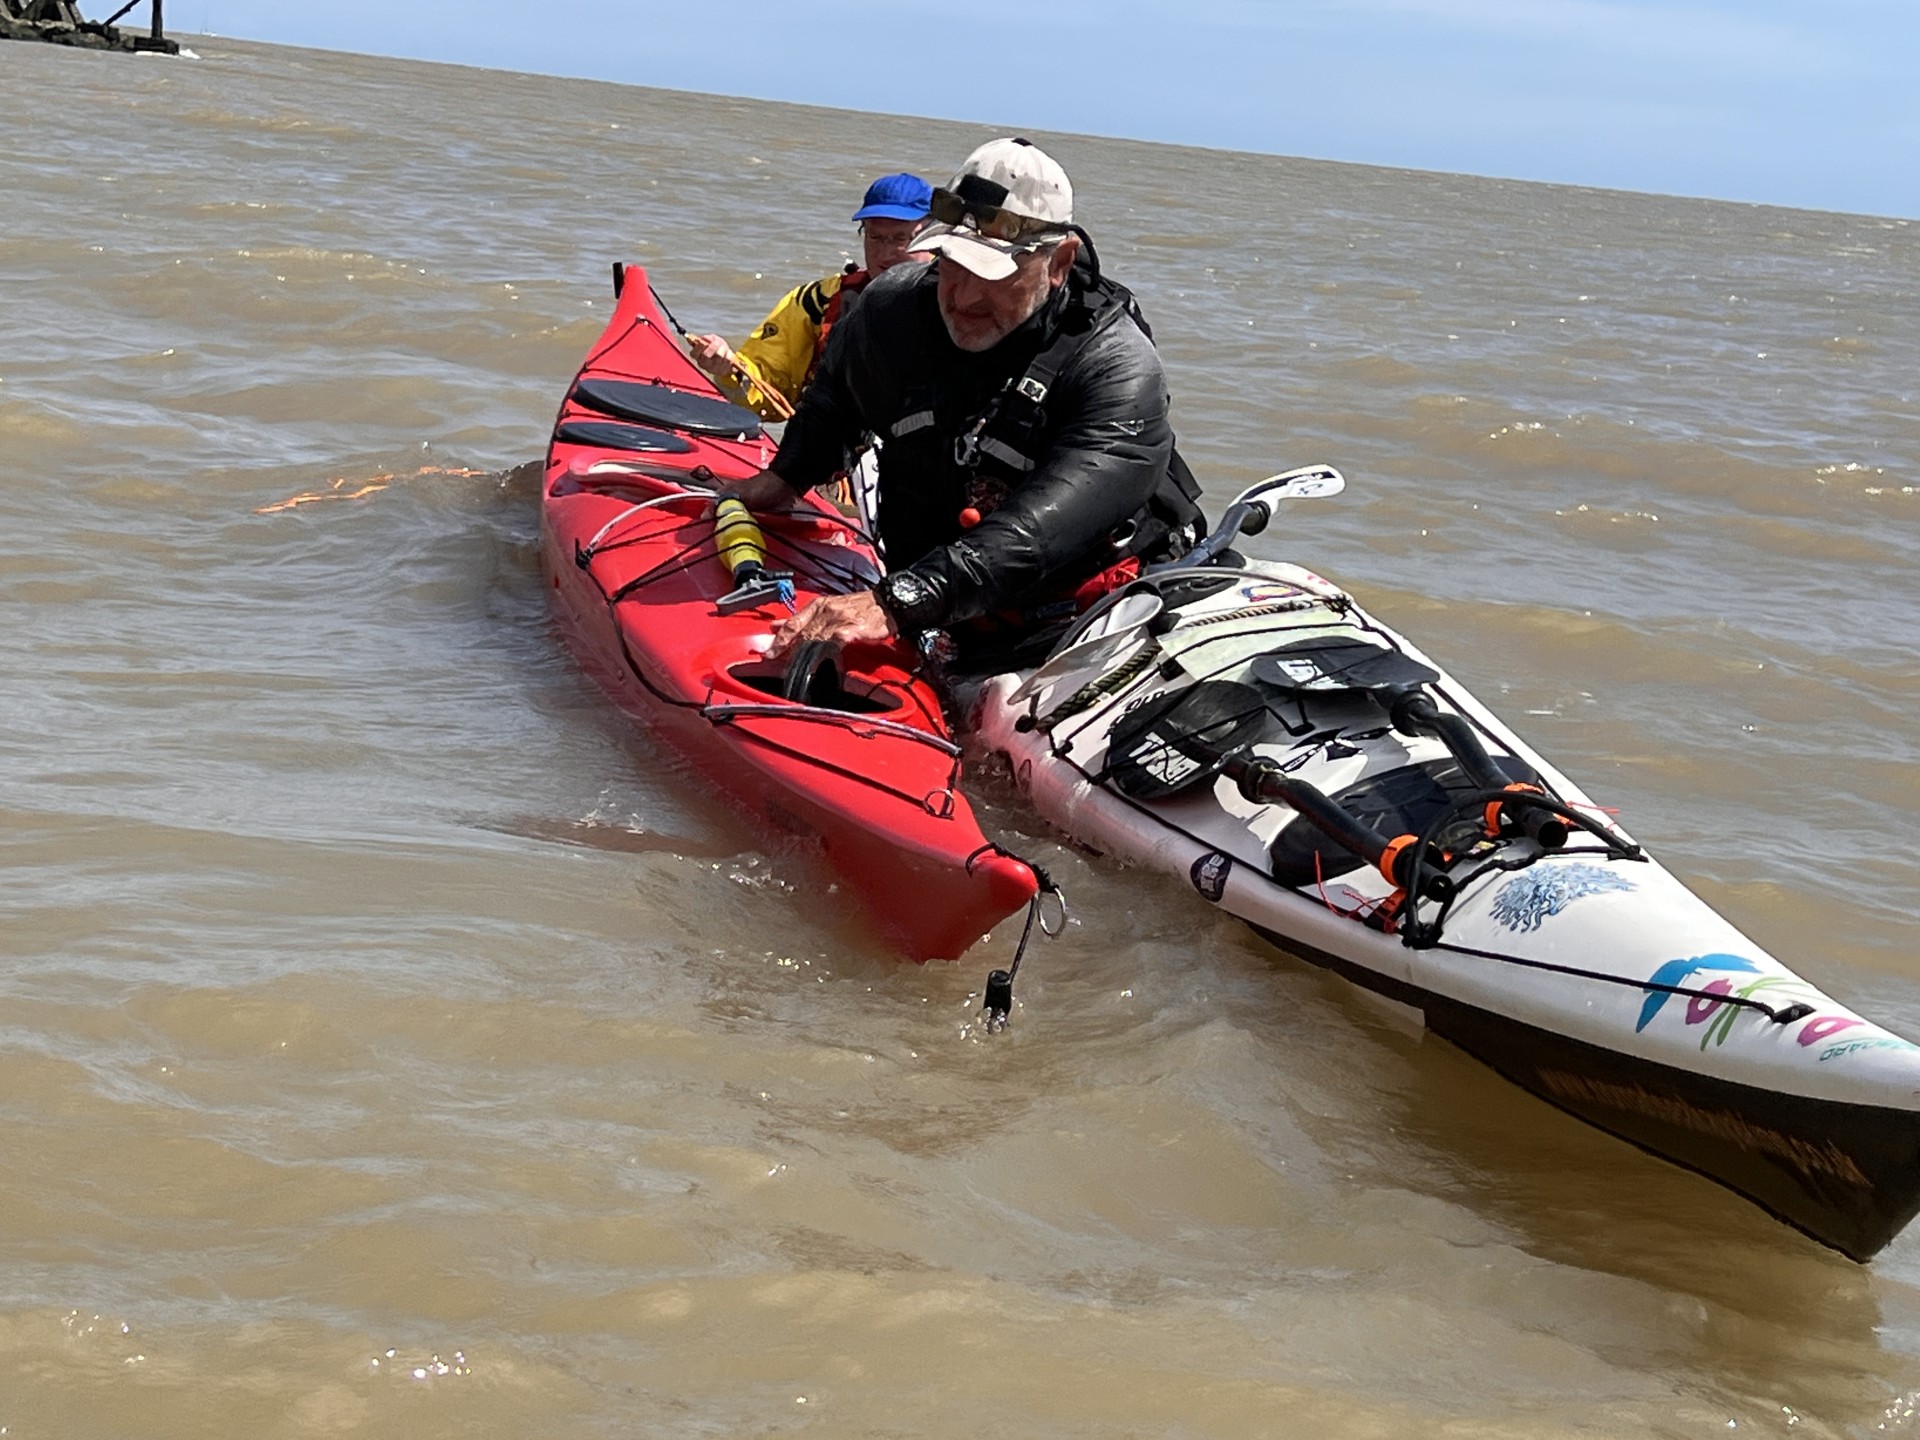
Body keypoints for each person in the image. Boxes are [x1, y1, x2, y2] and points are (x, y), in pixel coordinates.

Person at [723, 137, 1204, 672]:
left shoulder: (1116, 367)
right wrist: (786, 476)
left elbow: (1039, 534)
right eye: (954, 264)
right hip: (944, 605)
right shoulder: (892, 308)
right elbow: (839, 392)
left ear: (1058, 263)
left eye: (995, 274)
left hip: (1088, 620)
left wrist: (895, 602)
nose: (965, 297)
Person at [688, 172, 933, 420]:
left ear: (934, 236)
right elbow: (769, 392)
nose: (886, 253)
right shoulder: (817, 302)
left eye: (901, 238)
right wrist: (730, 369)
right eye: (875, 237)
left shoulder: (960, 302)